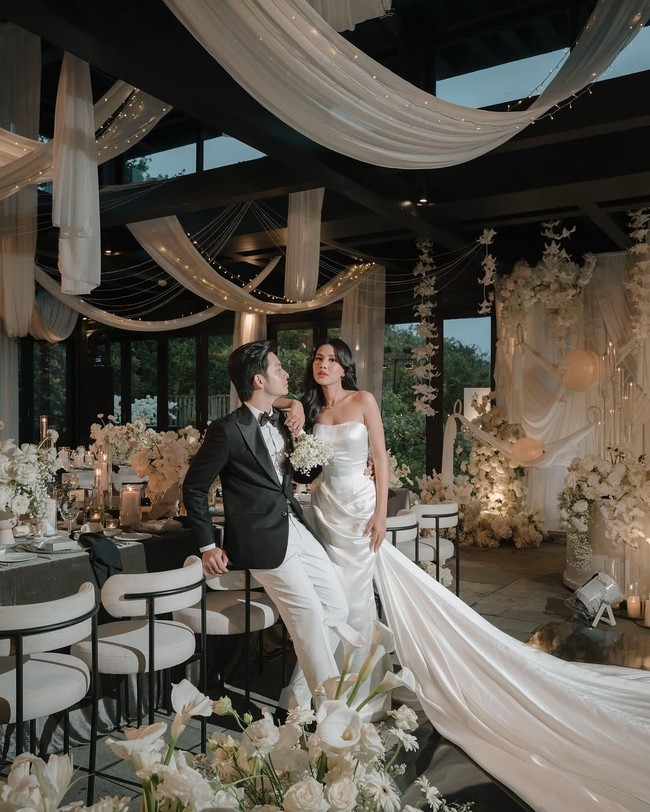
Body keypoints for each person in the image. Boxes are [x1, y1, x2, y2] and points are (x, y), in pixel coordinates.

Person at [182, 339, 349, 713]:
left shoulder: (285, 421)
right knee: (307, 616)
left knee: (337, 609)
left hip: (297, 529)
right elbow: (193, 487)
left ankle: (295, 700)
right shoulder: (226, 430)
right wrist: (208, 545)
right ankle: (331, 715)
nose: (287, 374)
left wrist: (303, 435)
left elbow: (304, 472)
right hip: (261, 542)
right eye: (278, 369)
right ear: (259, 380)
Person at [302, 338, 391, 718]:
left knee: (356, 597)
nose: (323, 364)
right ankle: (325, 682)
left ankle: (360, 696)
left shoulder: (363, 400)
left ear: (344, 368)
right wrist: (291, 403)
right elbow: (307, 464)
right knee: (329, 596)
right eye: (319, 358)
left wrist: (382, 512)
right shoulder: (313, 412)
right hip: (324, 509)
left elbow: (380, 457)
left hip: (359, 507)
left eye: (332, 360)